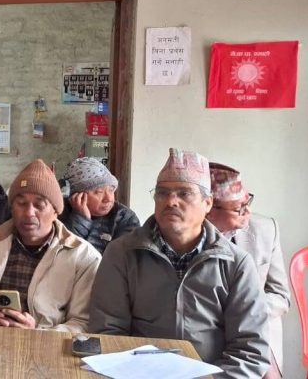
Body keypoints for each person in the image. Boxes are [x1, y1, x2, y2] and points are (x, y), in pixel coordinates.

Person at [89, 148, 270, 377]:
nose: (171, 201)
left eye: (184, 193)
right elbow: (107, 332)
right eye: (162, 193)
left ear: (207, 203)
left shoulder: (236, 264)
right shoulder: (122, 253)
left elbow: (249, 350)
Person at [0, 159, 100, 333]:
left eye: (39, 205)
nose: (29, 213)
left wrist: (36, 333)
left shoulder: (84, 256)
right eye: (21, 203)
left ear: (56, 211)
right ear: (11, 208)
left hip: (45, 344)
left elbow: (83, 322)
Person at [208, 162, 288, 379]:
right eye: (238, 208)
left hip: (256, 330)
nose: (248, 212)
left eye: (248, 202)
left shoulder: (266, 229)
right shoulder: (187, 236)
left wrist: (244, 312)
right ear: (209, 208)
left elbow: (281, 296)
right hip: (208, 333)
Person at [58, 157, 139, 253]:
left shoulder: (125, 218)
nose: (109, 199)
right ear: (77, 195)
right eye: (99, 192)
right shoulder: (60, 213)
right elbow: (64, 255)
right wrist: (80, 219)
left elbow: (123, 259)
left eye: (111, 190)